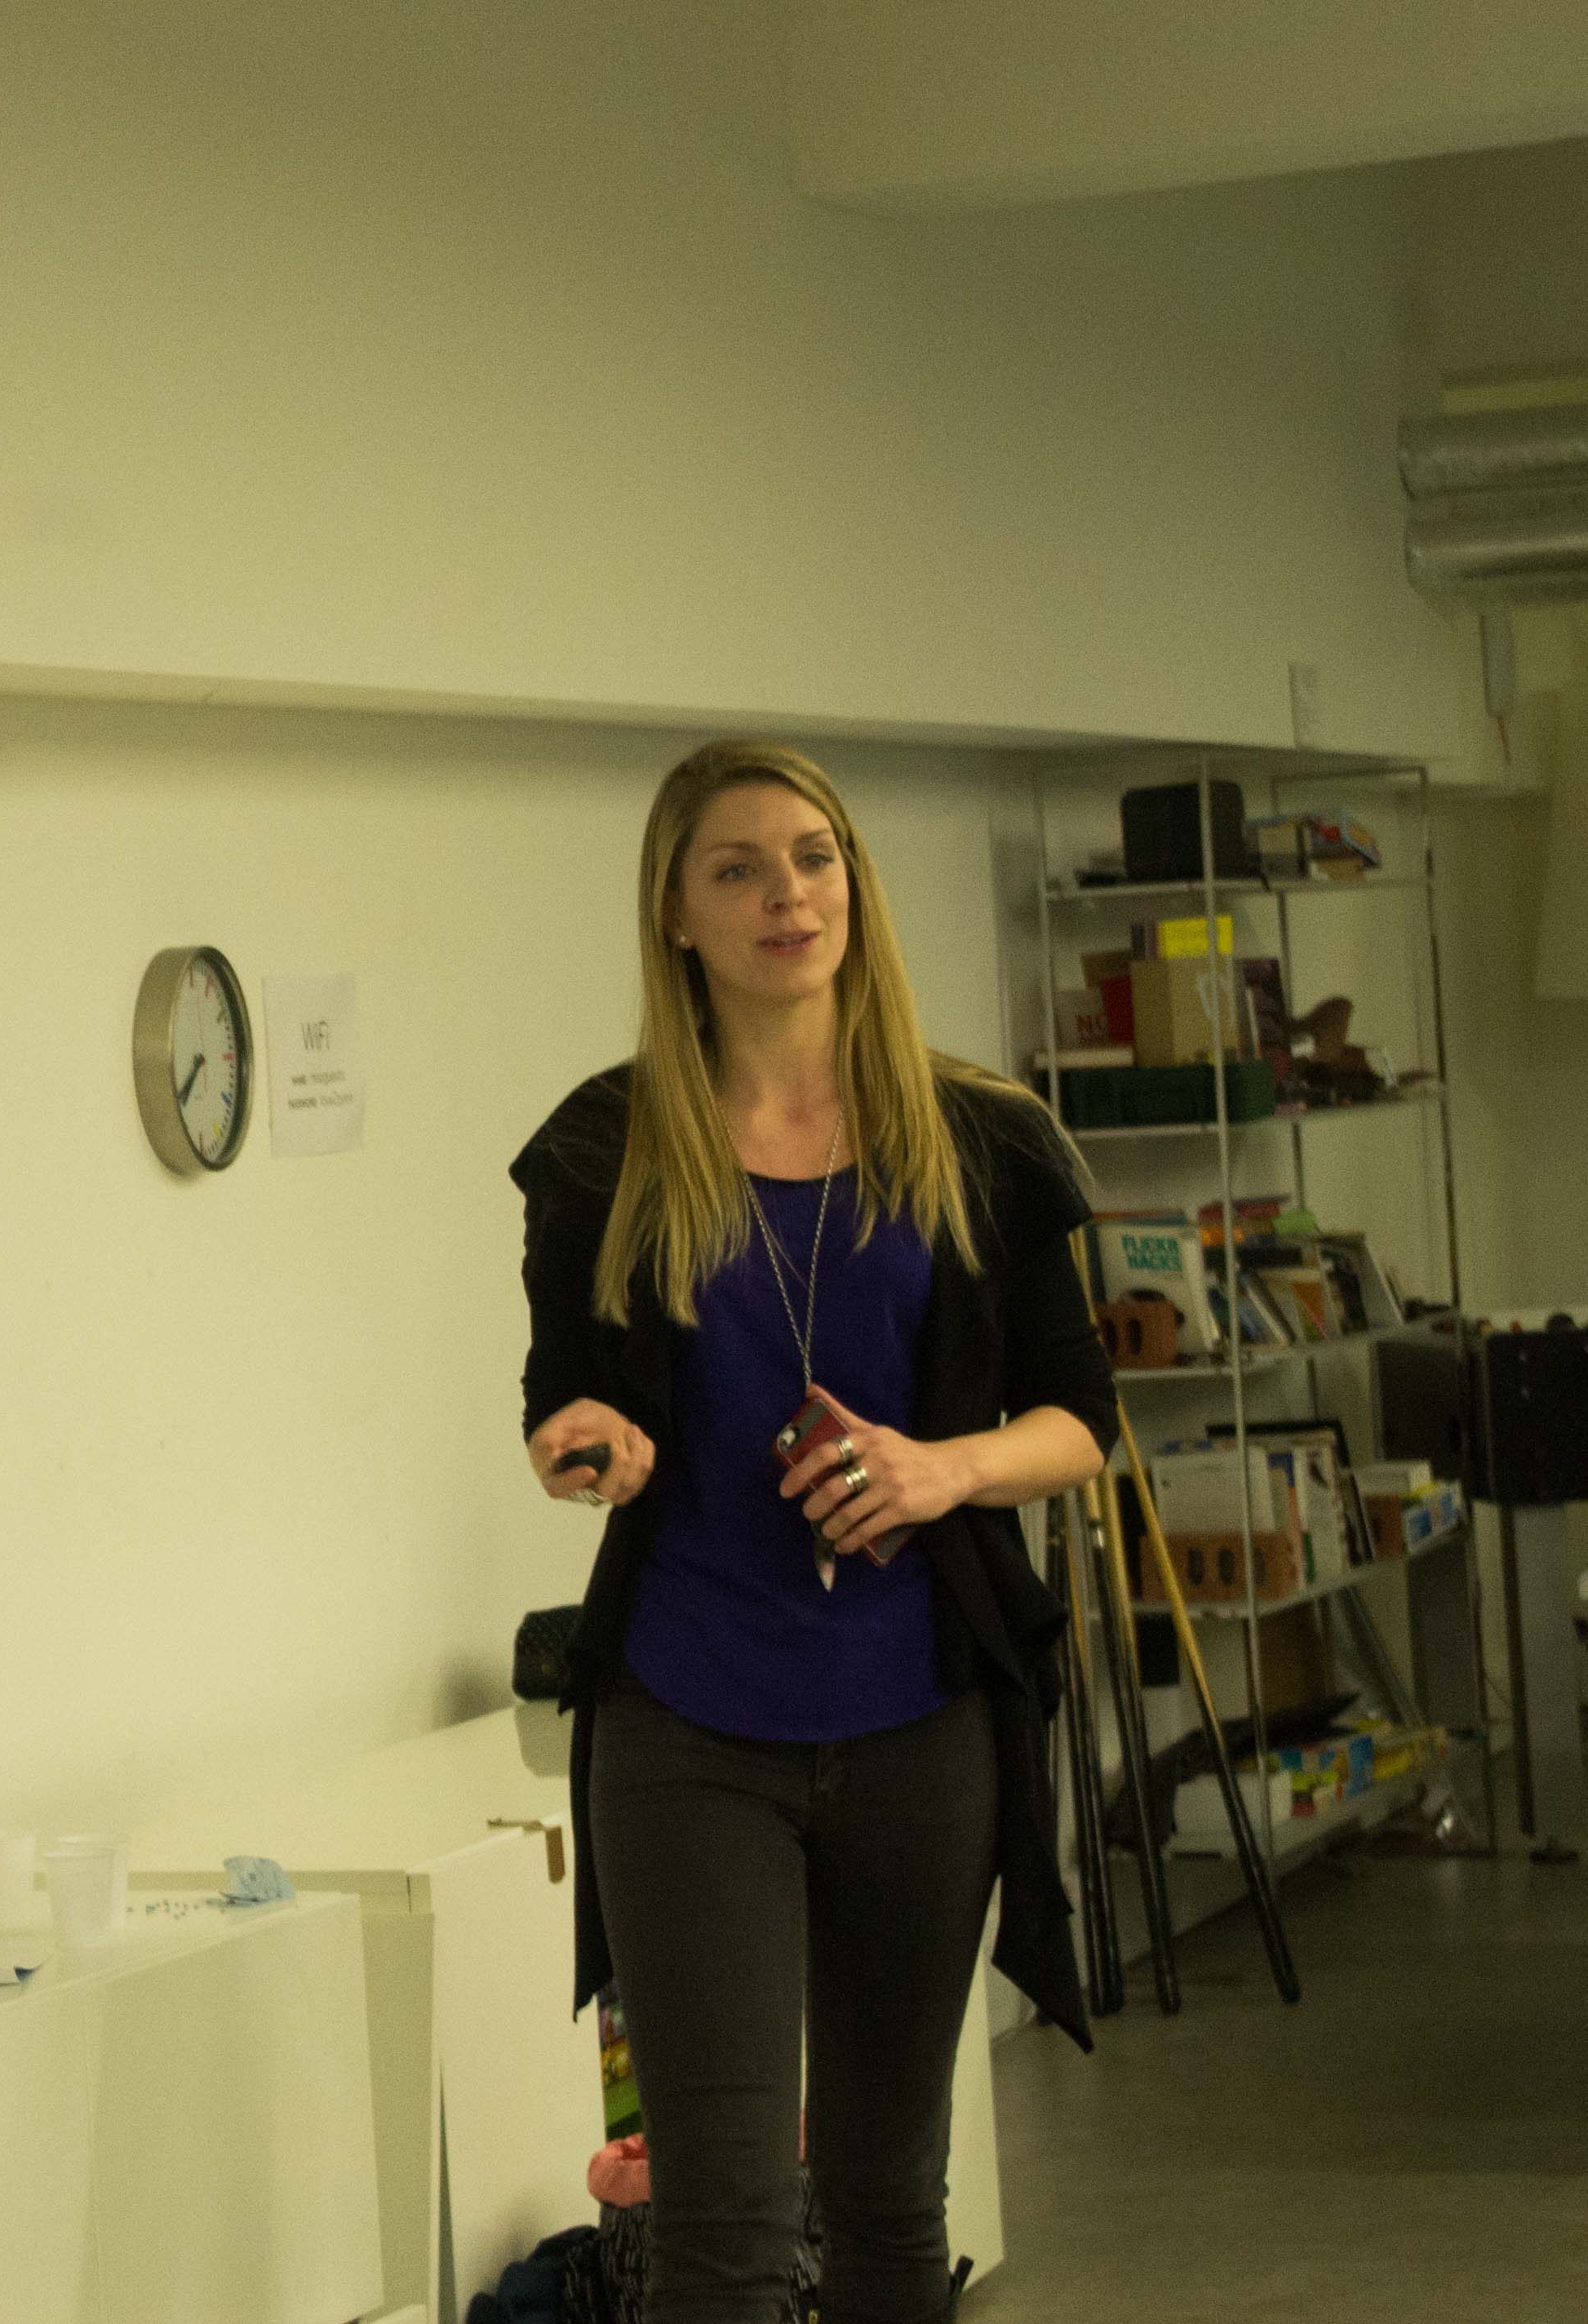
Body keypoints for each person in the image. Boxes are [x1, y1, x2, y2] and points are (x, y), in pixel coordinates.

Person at [508, 738, 1116, 2324]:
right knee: (719, 2210)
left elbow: (1075, 1417)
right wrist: (585, 1440)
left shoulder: (973, 1135)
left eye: (812, 855)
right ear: (674, 912)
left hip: (919, 1720)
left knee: (883, 2202)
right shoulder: (605, 1146)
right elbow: (559, 1392)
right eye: (737, 866)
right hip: (688, 1724)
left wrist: (936, 1471)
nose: (786, 893)